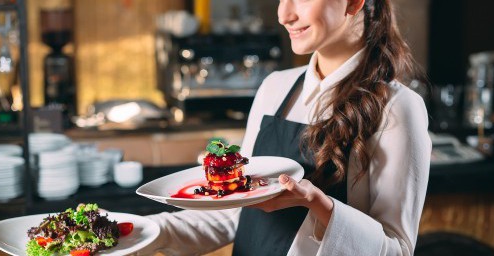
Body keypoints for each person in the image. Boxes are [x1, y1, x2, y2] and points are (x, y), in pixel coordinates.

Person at [141, 0, 431, 255]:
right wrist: (140, 233)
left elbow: (397, 250)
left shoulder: (398, 108)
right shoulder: (275, 88)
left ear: (354, 2)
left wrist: (321, 206)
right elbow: (233, 213)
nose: (283, 14)